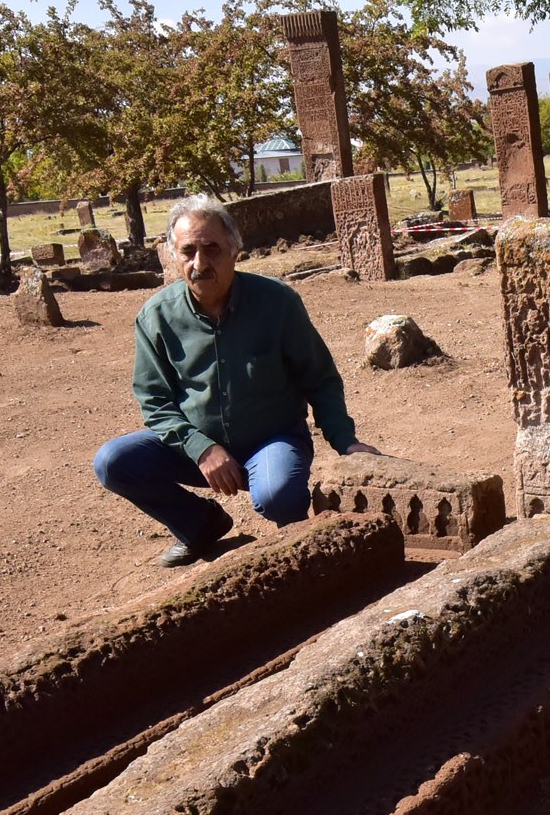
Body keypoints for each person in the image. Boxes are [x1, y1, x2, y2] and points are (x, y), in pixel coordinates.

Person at [92, 193, 376, 565]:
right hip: (195, 448)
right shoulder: (156, 316)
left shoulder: (277, 303)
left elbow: (319, 377)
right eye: (188, 251)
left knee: (276, 494)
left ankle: (300, 553)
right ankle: (200, 525)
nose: (199, 262)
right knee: (113, 461)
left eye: (211, 249)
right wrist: (201, 448)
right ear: (172, 255)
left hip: (270, 440)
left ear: (235, 249)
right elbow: (154, 399)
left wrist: (345, 442)